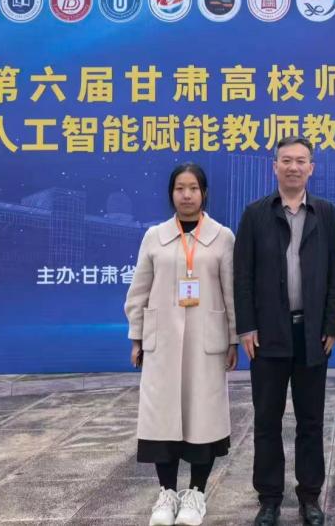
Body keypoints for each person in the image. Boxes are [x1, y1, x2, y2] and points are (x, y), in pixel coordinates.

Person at [234, 136, 335, 526]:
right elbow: (242, 275)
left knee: (311, 421)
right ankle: (269, 499)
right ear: (275, 166)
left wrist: (332, 326)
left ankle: (310, 496)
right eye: (286, 160)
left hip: (312, 334)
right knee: (267, 420)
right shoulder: (255, 214)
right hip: (268, 334)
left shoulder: (326, 213)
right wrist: (246, 326)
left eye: (301, 161)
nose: (293, 167)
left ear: (311, 168)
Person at [124, 162, 238, 526]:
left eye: (193, 189)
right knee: (162, 417)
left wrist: (233, 339)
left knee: (203, 416)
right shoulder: (154, 237)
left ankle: (196, 494)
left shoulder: (222, 237)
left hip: (207, 342)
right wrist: (137, 336)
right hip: (163, 343)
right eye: (179, 189)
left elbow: (231, 293)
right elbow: (139, 291)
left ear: (204, 193)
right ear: (171, 194)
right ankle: (167, 494)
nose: (186, 195)